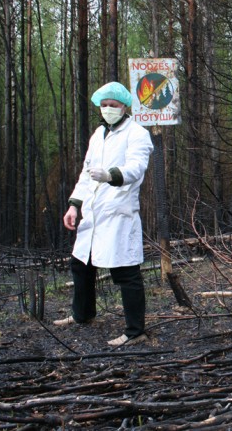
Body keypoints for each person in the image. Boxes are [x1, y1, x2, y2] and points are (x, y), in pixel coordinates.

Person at [54, 81, 154, 347]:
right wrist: (75, 204)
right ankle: (82, 315)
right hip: (93, 211)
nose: (109, 109)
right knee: (81, 264)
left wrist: (111, 175)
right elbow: (86, 175)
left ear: (124, 106)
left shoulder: (137, 134)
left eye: (114, 105)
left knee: (126, 272)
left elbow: (136, 168)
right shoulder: (98, 135)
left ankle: (135, 331)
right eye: (105, 105)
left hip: (118, 212)